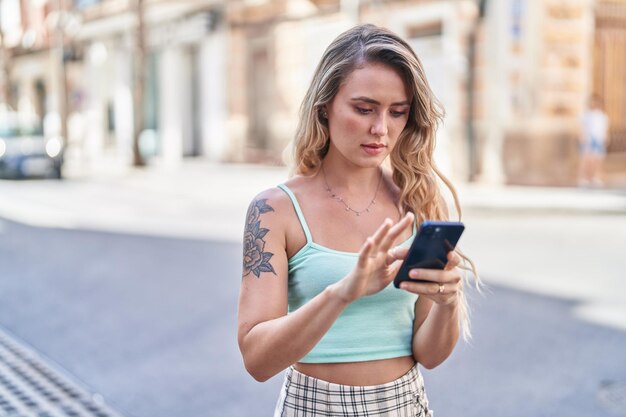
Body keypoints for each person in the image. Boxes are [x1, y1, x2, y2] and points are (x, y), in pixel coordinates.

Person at [237, 24, 478, 416]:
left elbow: (429, 355)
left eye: (397, 112)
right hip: (312, 406)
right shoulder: (274, 210)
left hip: (405, 404)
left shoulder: (419, 203)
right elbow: (257, 360)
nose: (381, 129)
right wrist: (343, 291)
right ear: (325, 106)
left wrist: (448, 302)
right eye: (364, 109)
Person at [579, 94, 610, 187]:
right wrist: (583, 136)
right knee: (586, 159)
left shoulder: (602, 116)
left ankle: (596, 177)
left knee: (597, 159)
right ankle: (584, 178)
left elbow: (604, 128)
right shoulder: (586, 115)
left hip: (598, 139)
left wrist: (606, 137)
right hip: (589, 139)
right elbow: (582, 127)